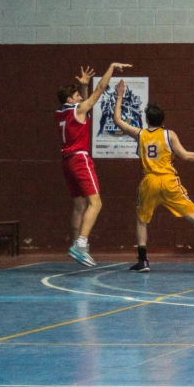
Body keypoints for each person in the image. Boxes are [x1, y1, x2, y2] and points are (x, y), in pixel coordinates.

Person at [112, 81, 194, 272]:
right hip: (169, 180)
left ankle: (143, 261)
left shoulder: (140, 134)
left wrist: (120, 96)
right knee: (192, 215)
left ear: (147, 119)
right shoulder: (169, 135)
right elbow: (186, 156)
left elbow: (117, 120)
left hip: (149, 181)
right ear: (163, 119)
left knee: (142, 220)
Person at [56, 62, 131, 267]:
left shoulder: (61, 113)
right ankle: (81, 245)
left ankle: (75, 244)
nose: (81, 97)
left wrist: (83, 86)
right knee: (96, 203)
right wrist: (111, 67)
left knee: (79, 205)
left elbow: (83, 105)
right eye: (78, 95)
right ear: (71, 100)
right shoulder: (79, 110)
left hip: (67, 161)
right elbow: (99, 90)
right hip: (80, 159)